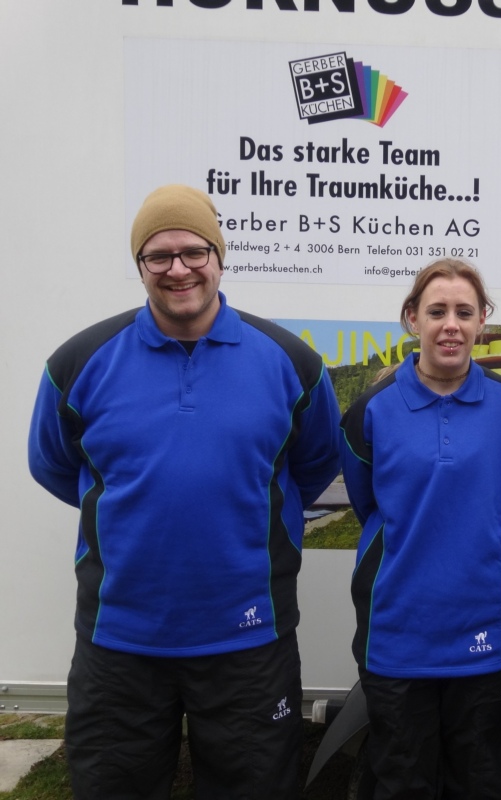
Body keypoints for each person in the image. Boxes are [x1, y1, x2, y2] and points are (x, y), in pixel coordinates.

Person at [27, 184, 343, 800]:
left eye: (195, 251)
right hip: (120, 638)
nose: (178, 269)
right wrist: (139, 505)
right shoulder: (80, 362)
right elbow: (57, 467)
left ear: (219, 256)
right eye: (158, 255)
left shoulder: (290, 361)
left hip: (248, 637)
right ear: (140, 265)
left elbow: (311, 466)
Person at [339, 259, 501, 798]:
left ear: (482, 321)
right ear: (412, 319)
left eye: (464, 312)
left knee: (486, 783)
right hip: (398, 635)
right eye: (437, 311)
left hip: (488, 633)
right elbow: (367, 503)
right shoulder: (372, 410)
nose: (451, 324)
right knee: (403, 784)